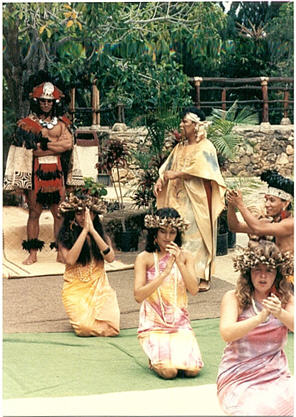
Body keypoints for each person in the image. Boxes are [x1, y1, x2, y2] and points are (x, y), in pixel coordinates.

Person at [217, 240, 294, 416]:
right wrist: (259, 318)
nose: (263, 276)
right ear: (248, 271)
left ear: (278, 274)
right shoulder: (233, 297)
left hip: (276, 376)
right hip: (238, 377)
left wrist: (280, 312)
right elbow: (226, 333)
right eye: (257, 269)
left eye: (269, 270)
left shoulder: (286, 299)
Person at [154, 107, 226, 292]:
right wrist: (160, 180)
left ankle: (201, 276)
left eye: (185, 122)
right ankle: (178, 274)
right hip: (176, 198)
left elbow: (206, 170)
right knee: (177, 235)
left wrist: (178, 173)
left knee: (196, 237)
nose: (181, 124)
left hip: (196, 199)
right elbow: (167, 167)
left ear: (195, 125)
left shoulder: (206, 147)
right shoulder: (180, 147)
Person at [5, 77, 74, 264]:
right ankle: (33, 253)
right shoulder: (27, 124)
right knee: (34, 213)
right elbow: (30, 149)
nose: (45, 104)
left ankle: (60, 252)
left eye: (49, 101)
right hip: (36, 174)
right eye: (42, 100)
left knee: (58, 213)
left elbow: (68, 144)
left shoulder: (61, 123)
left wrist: (46, 145)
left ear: (54, 102)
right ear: (37, 101)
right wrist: (55, 146)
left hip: (56, 173)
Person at [134, 207, 203, 379]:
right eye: (162, 231)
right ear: (154, 233)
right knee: (169, 372)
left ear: (177, 234)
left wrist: (179, 262)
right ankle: (154, 359)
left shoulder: (186, 257)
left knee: (192, 371)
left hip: (180, 324)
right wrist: (163, 274)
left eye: (172, 232)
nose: (167, 237)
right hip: (154, 324)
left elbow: (194, 290)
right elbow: (138, 295)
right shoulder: (145, 257)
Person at [57, 192, 120, 337]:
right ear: (72, 215)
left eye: (89, 214)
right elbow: (70, 260)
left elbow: (110, 258)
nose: (84, 218)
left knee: (112, 328)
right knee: (84, 329)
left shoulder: (102, 236)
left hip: (99, 286)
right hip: (76, 288)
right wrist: (84, 231)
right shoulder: (65, 237)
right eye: (79, 214)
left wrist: (92, 231)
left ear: (94, 215)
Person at [227, 170, 294, 284]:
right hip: (270, 278)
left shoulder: (290, 224)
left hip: (288, 280)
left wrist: (240, 205)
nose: (267, 204)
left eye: (272, 200)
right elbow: (235, 227)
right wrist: (231, 205)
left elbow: (258, 228)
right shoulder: (267, 222)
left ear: (285, 203)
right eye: (266, 199)